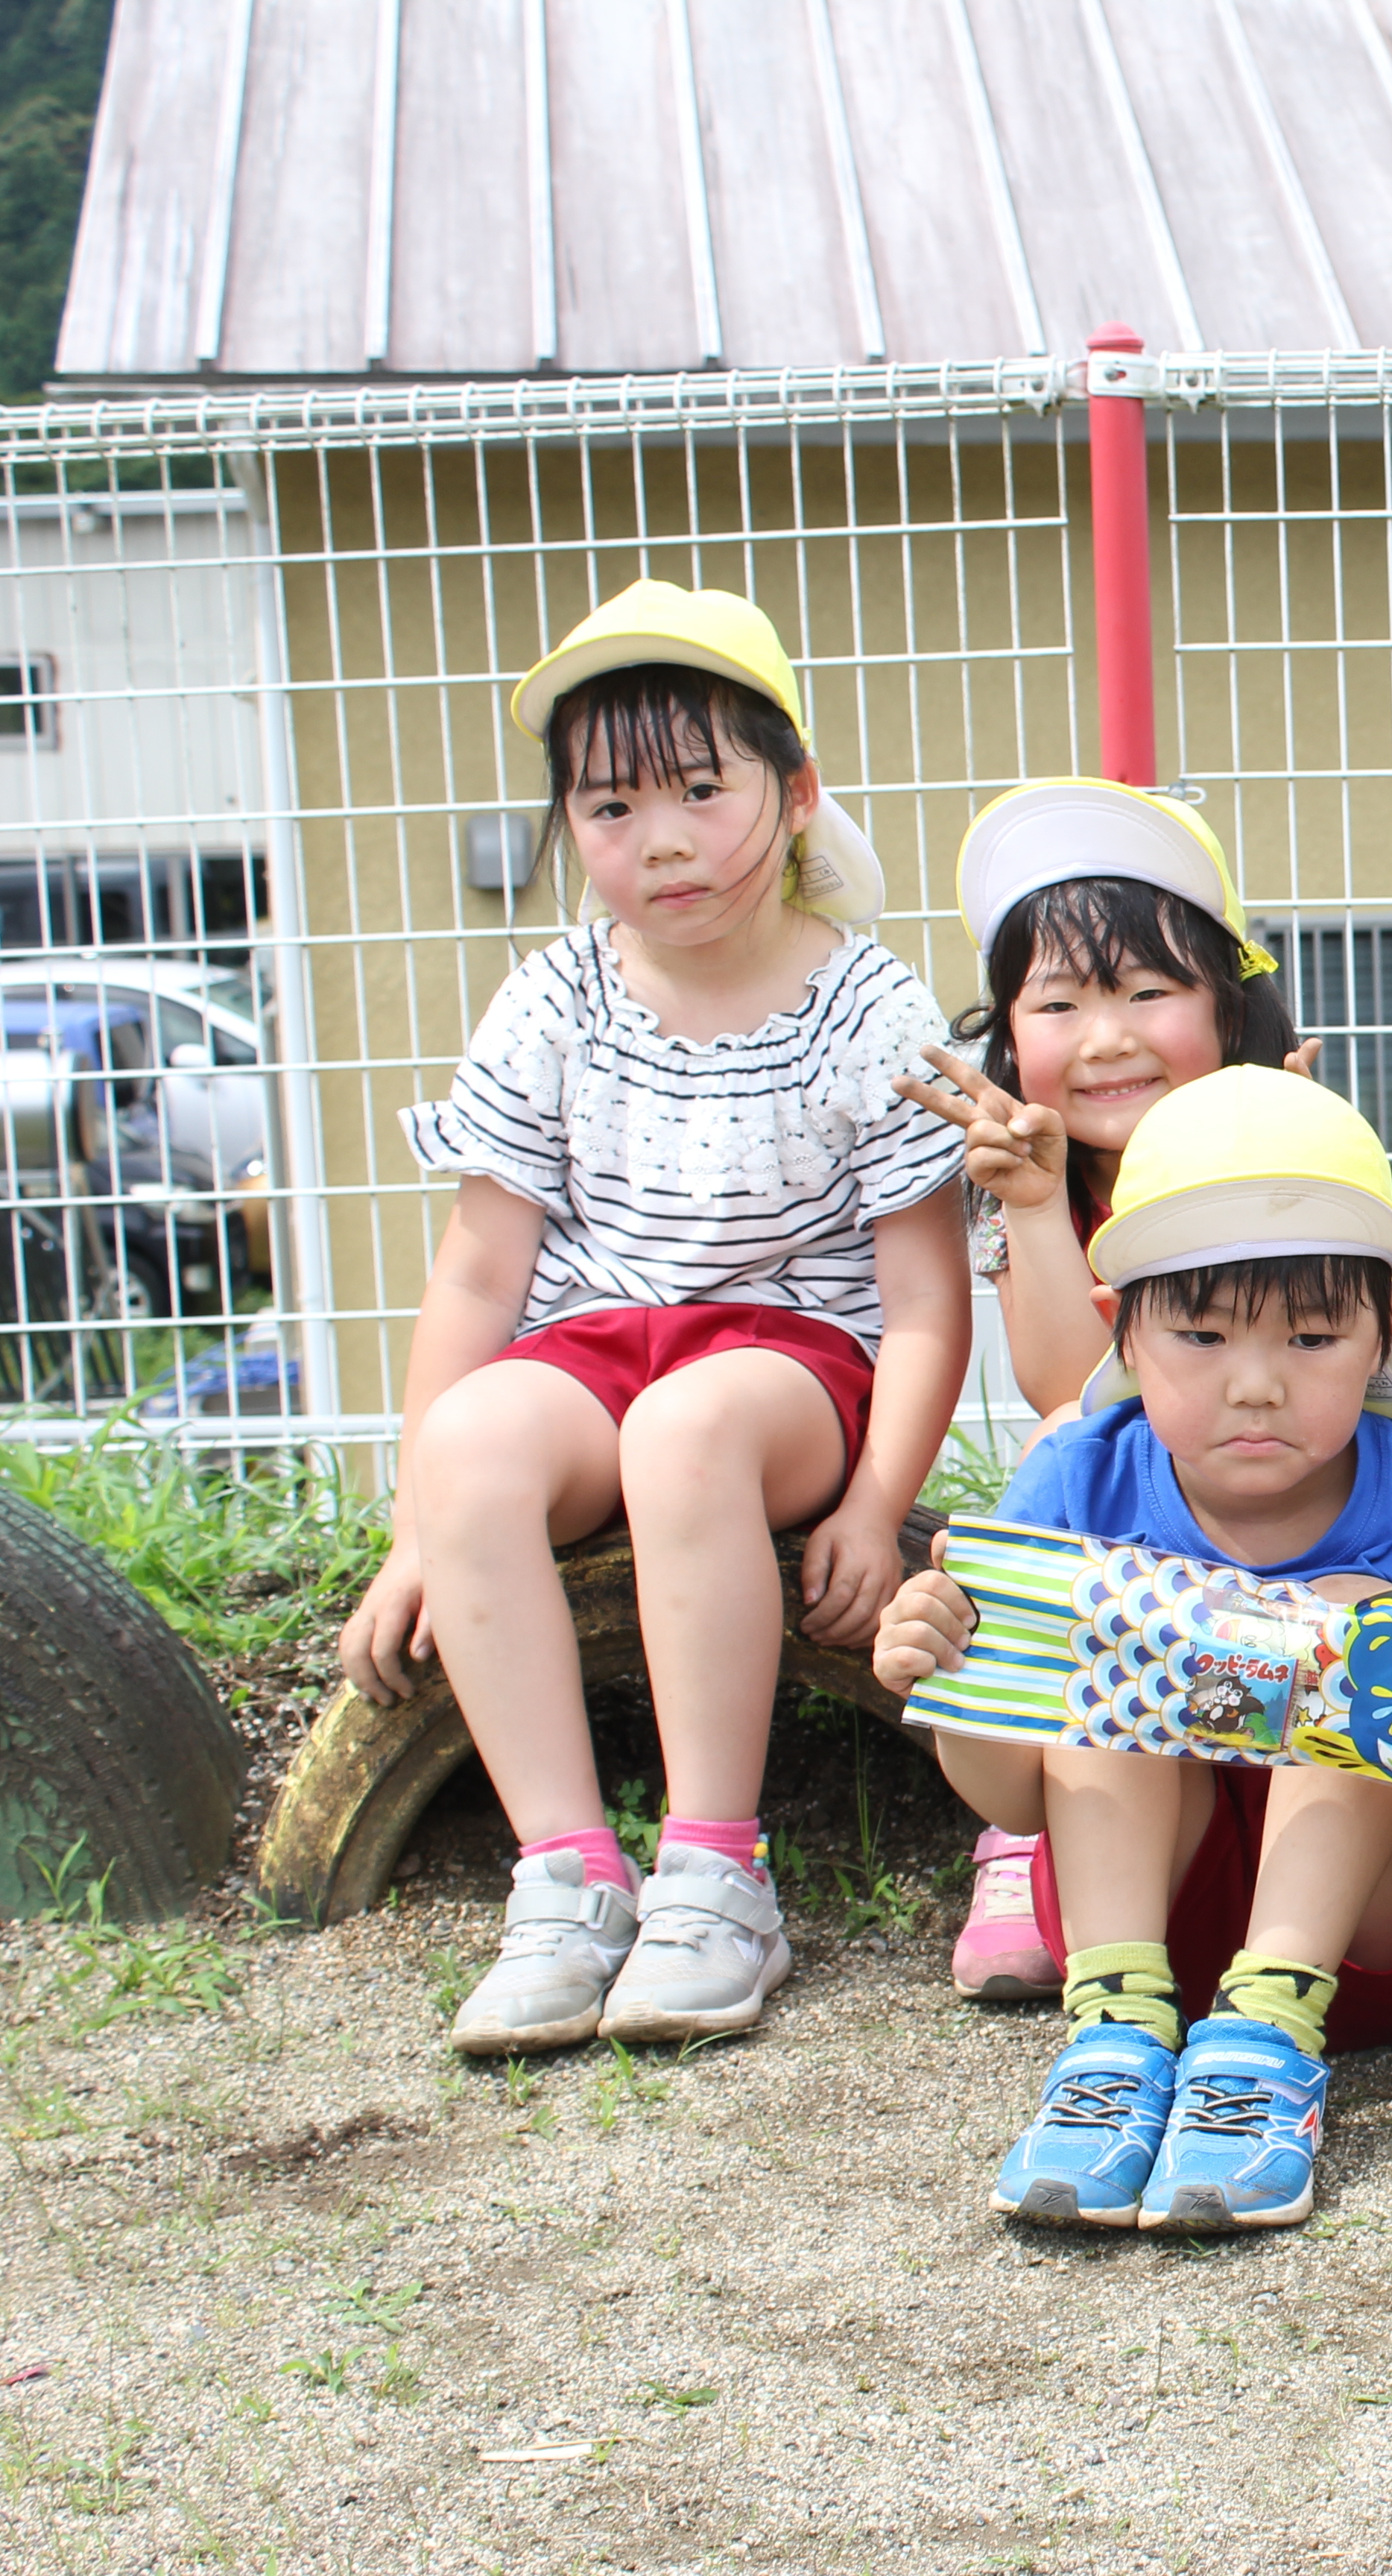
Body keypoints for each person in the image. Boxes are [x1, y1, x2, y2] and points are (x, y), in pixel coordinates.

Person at [338, 579, 970, 2056]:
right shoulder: (552, 1002)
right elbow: (481, 1277)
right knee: (479, 1436)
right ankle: (565, 1877)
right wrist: (416, 1529)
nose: (662, 837)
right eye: (612, 806)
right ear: (571, 828)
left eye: (703, 788)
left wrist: (879, 1506)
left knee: (687, 1432)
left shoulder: (869, 1013)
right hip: (594, 1345)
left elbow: (927, 1302)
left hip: (788, 1367)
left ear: (797, 794)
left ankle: (714, 1873)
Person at [873, 1067, 1392, 2229]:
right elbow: (1018, 1800)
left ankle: (1268, 2041)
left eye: (1312, 1335)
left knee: (1354, 1612)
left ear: (1388, 1331)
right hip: (1146, 1924)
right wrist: (953, 1684)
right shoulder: (1074, 1480)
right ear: (1120, 1331)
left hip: (1373, 1950)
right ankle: (1112, 2043)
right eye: (1198, 1332)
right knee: (1113, 1623)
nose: (1256, 1383)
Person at [895, 777, 1320, 2007]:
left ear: (1225, 1008)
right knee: (1066, 1444)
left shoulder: (1280, 1142)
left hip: (1294, 1502)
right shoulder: (1039, 1172)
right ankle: (1028, 1828)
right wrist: (1032, 1208)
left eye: (1148, 992)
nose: (1108, 1037)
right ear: (1011, 1033)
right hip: (1131, 1517)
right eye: (1061, 1002)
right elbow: (1065, 1383)